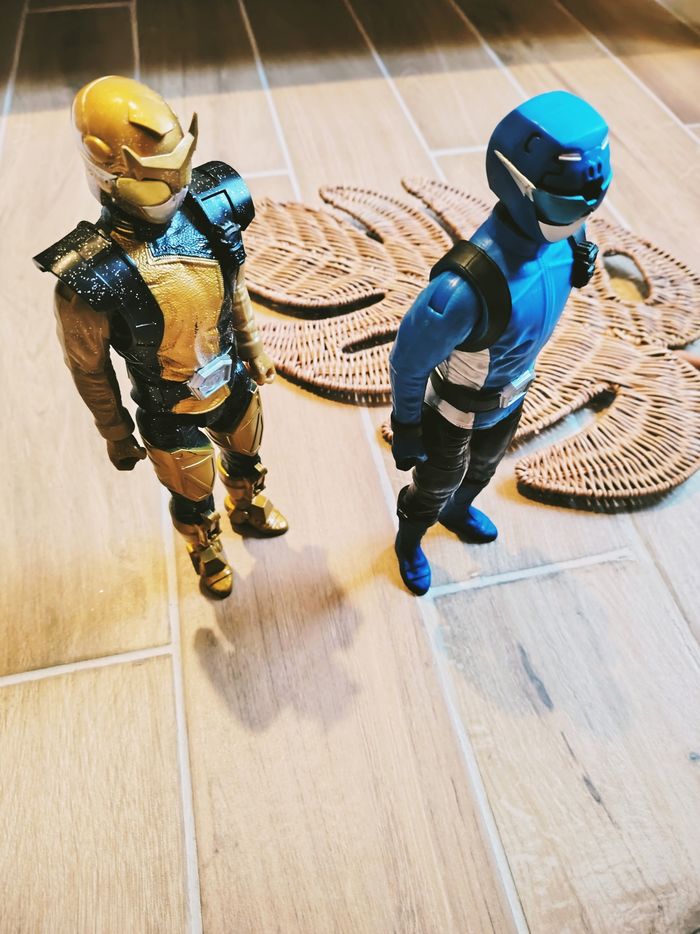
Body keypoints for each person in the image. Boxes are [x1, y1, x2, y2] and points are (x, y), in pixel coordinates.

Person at [34, 76, 288, 598]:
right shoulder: (90, 277)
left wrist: (253, 346)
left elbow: (233, 285)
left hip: (230, 377)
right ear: (107, 175)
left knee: (246, 454)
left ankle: (247, 504)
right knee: (192, 493)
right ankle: (206, 546)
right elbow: (88, 367)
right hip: (168, 404)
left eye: (181, 172)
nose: (175, 190)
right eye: (155, 182)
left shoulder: (210, 208)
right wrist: (114, 429)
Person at [389, 90, 611, 595]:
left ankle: (458, 511)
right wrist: (406, 424)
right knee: (435, 484)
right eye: (563, 206)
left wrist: (579, 258)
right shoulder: (461, 290)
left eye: (587, 207)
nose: (577, 221)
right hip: (455, 409)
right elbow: (407, 362)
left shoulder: (569, 236)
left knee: (483, 469)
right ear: (519, 184)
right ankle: (410, 539)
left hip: (512, 393)